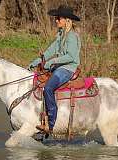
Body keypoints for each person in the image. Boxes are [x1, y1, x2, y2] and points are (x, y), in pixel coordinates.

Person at [28, 5, 81, 134]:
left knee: (48, 88)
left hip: (68, 69)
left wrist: (52, 62)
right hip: (59, 67)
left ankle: (51, 124)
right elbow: (50, 50)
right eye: (56, 18)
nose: (56, 20)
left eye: (58, 18)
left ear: (67, 20)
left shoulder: (72, 36)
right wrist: (37, 61)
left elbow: (71, 56)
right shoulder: (61, 35)